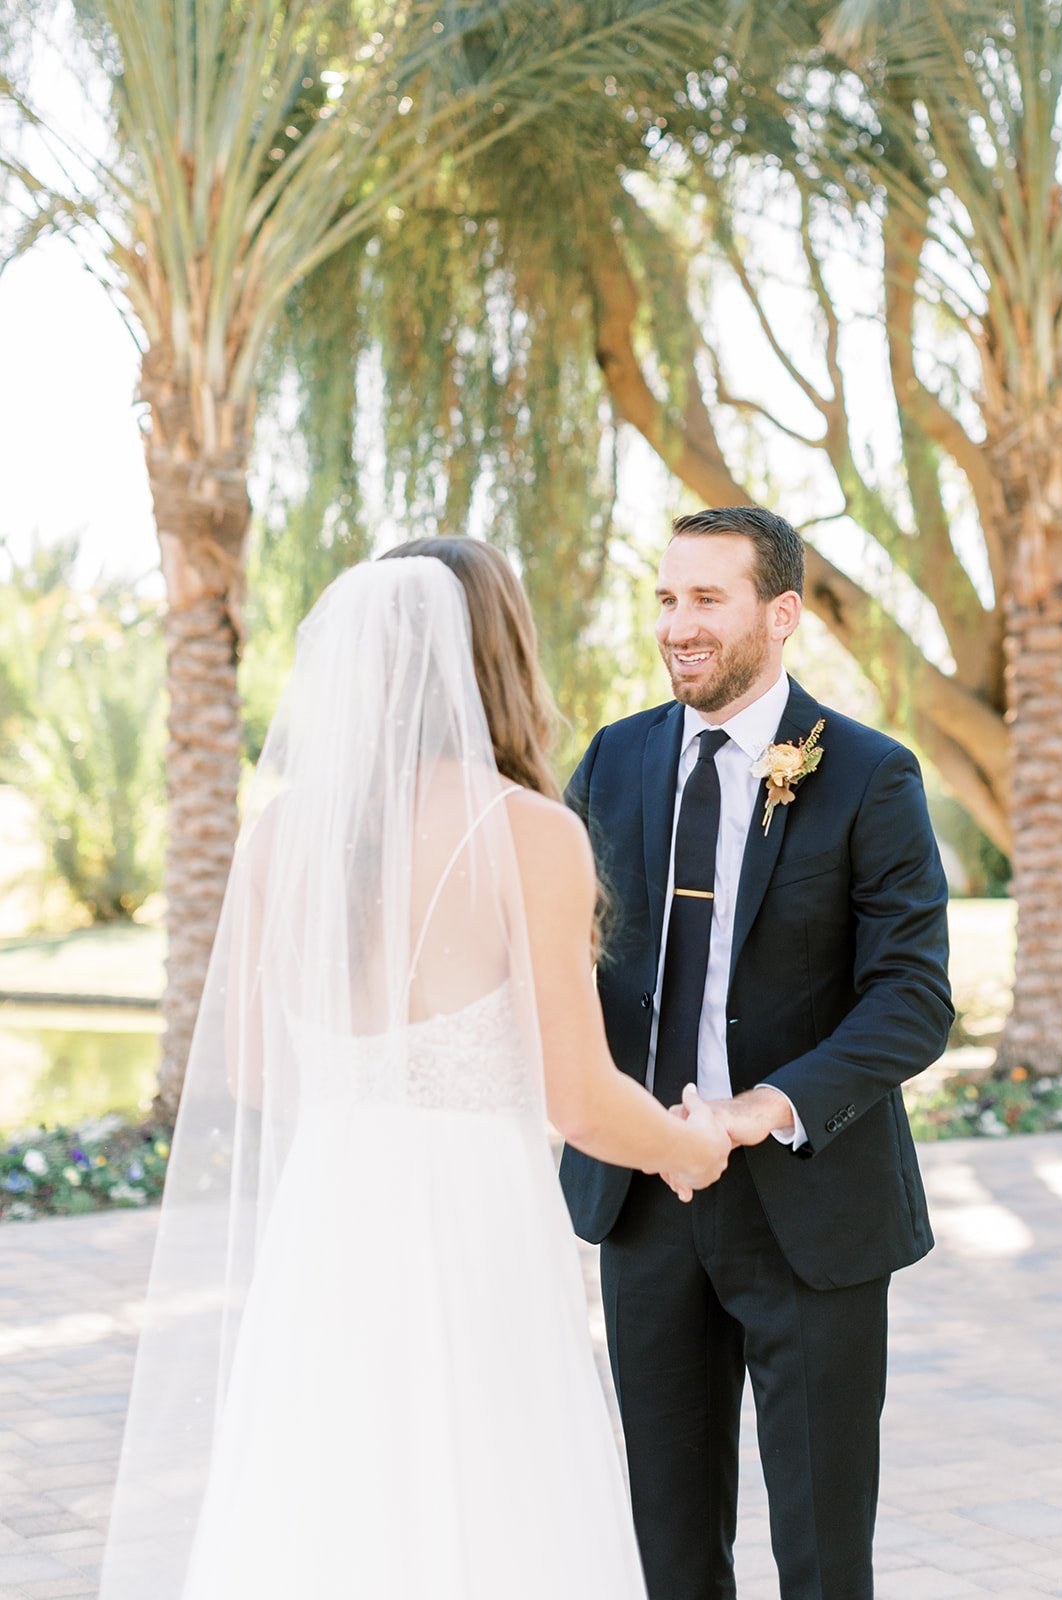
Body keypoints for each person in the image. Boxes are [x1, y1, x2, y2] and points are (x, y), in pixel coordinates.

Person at [98, 541, 729, 1600]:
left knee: (329, 1497)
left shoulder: (280, 836)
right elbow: (580, 1099)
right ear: (500, 656)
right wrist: (689, 1144)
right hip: (470, 1225)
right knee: (489, 1490)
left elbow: (250, 1068)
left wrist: (369, 1099)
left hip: (329, 1215)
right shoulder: (531, 833)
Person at [560, 506, 954, 1600]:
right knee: (670, 1550)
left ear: (781, 615)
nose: (676, 625)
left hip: (811, 1208)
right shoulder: (614, 759)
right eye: (665, 598)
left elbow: (914, 999)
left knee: (825, 1558)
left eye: (706, 599)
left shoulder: (870, 775)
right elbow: (558, 965)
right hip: (643, 1203)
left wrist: (753, 1109)